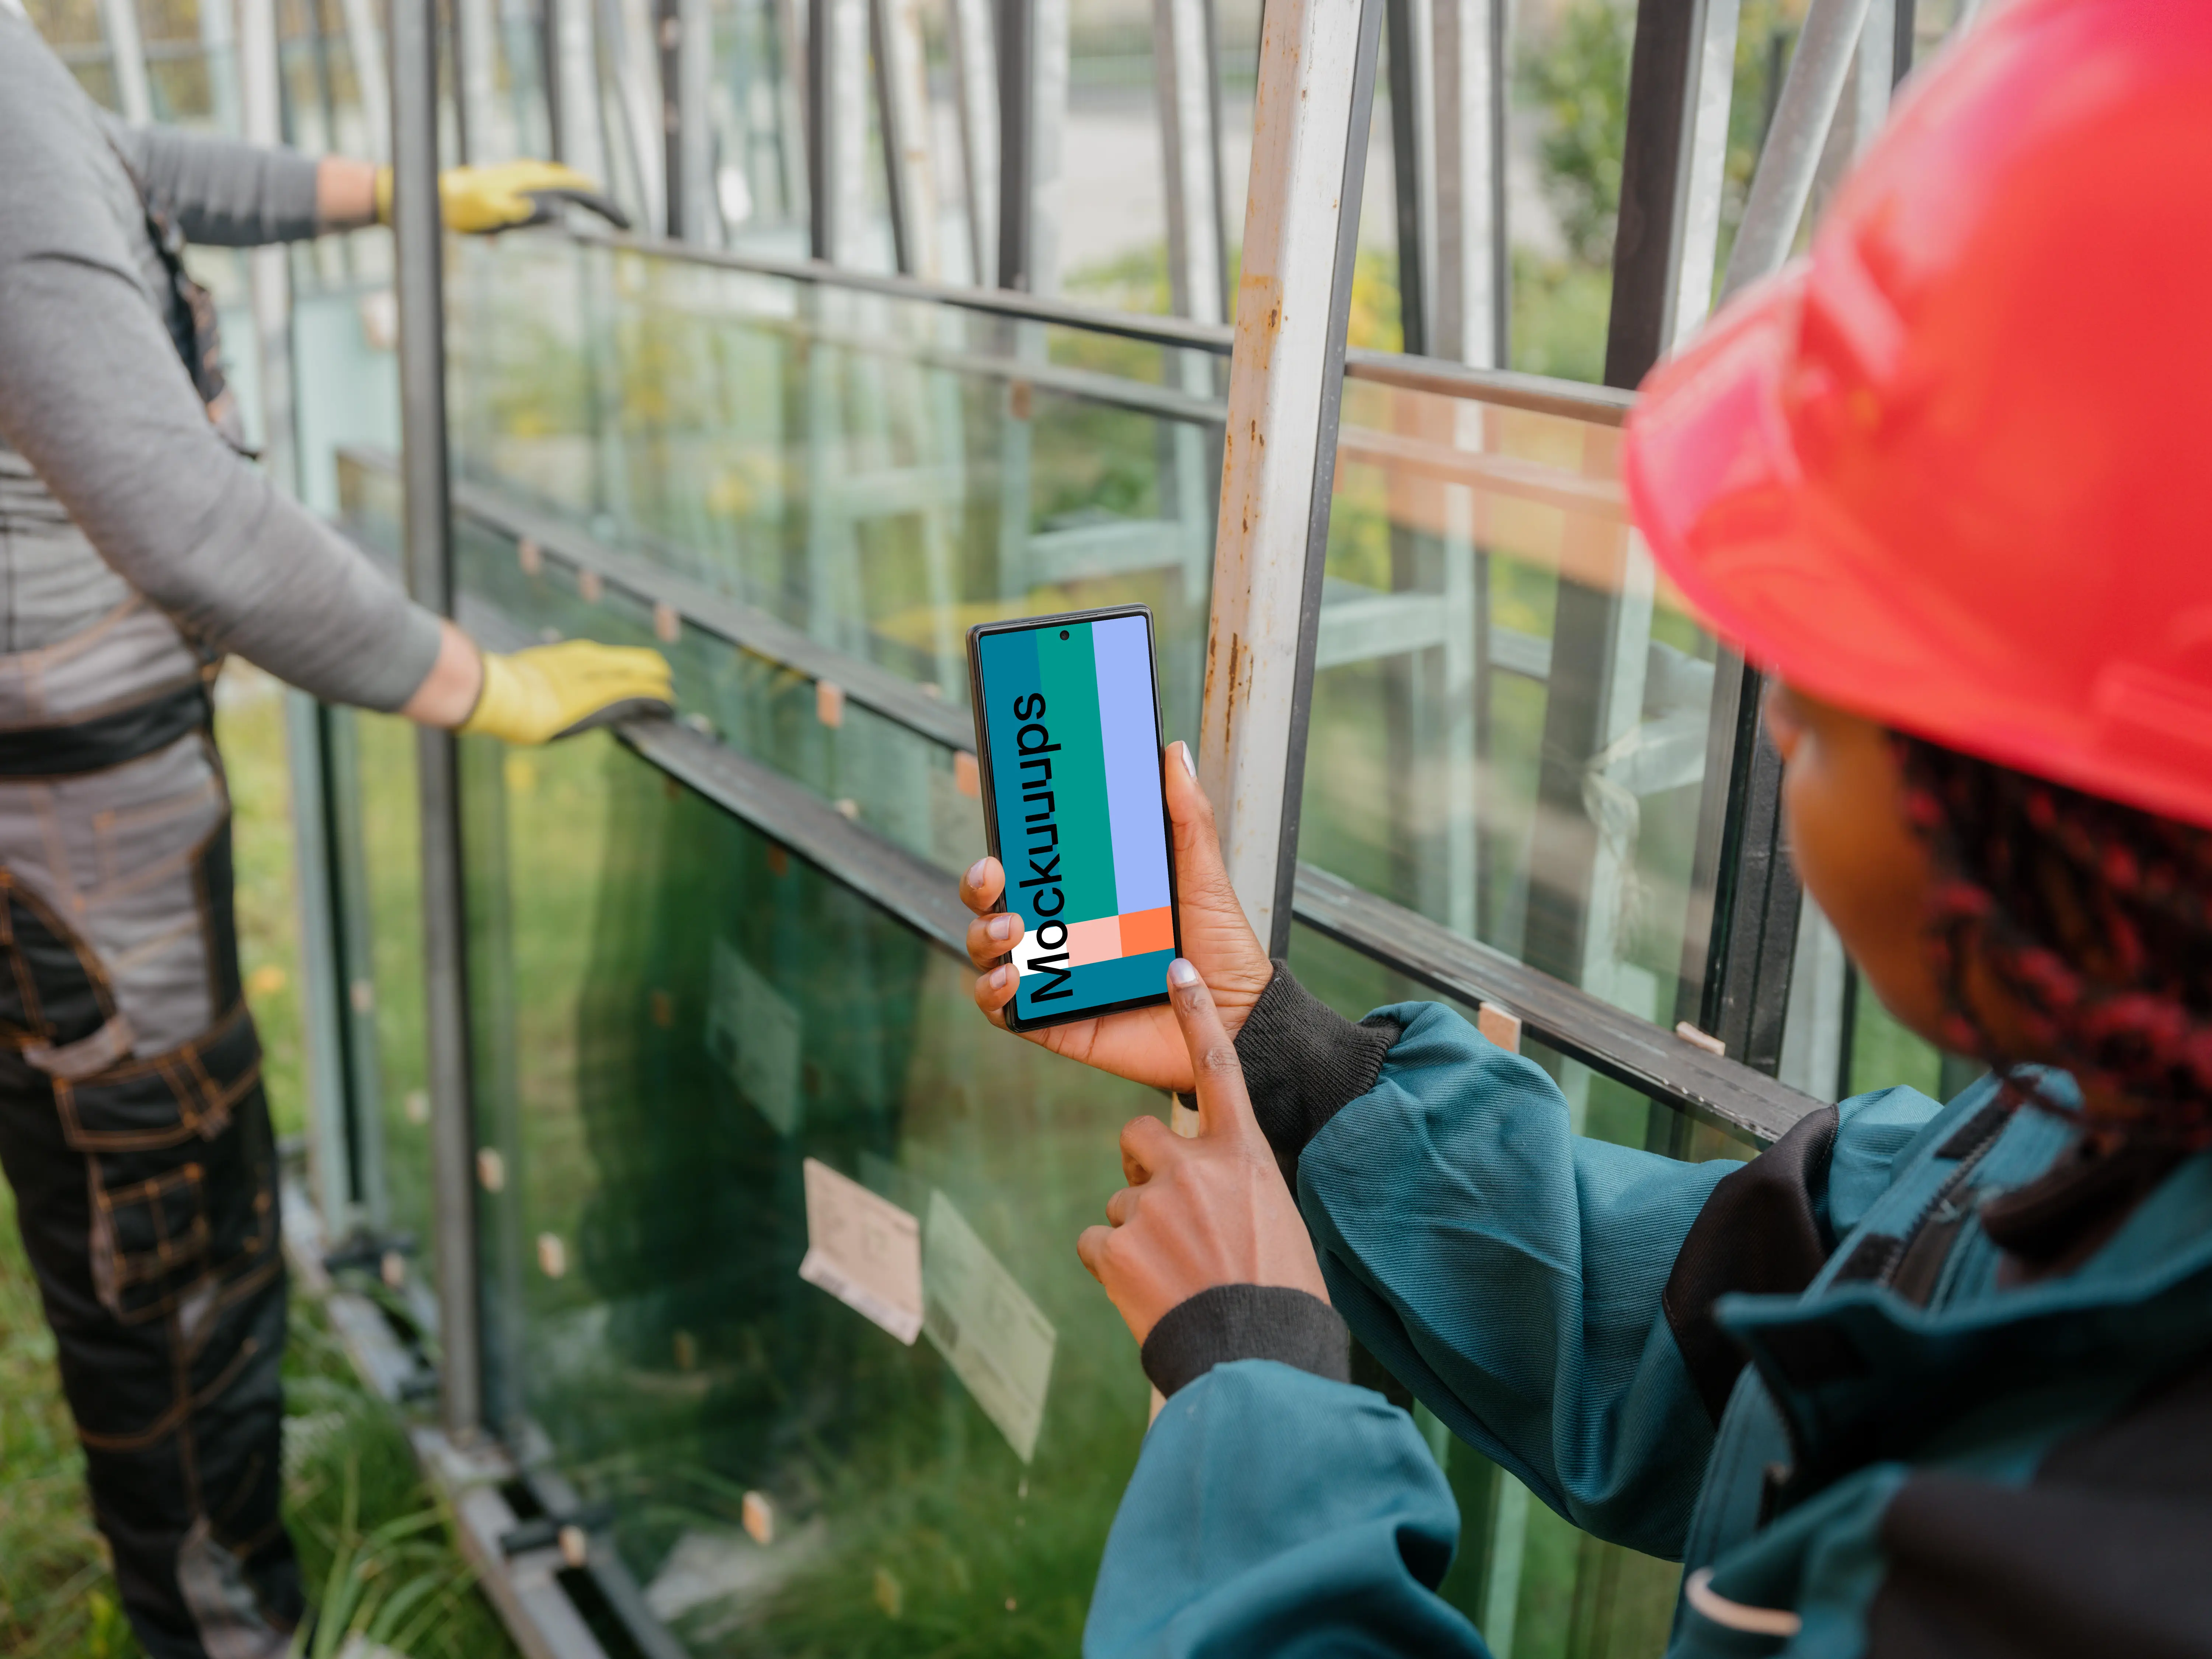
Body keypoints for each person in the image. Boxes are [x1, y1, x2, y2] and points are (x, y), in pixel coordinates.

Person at [957, 0, 2212, 1651]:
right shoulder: (2094, 1132)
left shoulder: (2084, 1574)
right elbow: (1689, 1326)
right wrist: (1281, 1054)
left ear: (2061, 812)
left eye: (1828, 704)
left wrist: (1257, 1403)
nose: (1774, 724)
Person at [0, 12, 672, 1658]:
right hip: (71, 812)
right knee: (166, 1251)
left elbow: (109, 171)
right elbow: (190, 521)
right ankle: (226, 1634)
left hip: (68, 774)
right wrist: (480, 683)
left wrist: (398, 191)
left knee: (156, 1212)